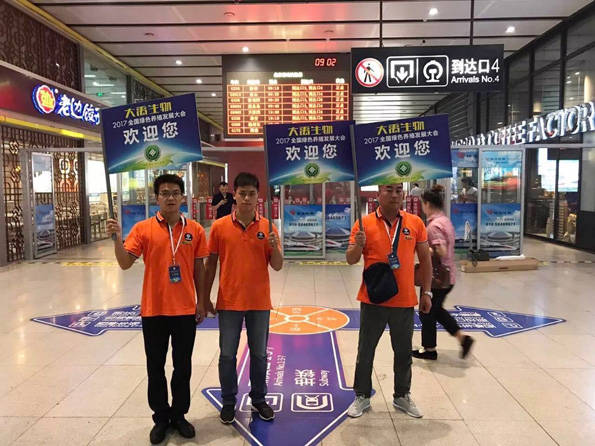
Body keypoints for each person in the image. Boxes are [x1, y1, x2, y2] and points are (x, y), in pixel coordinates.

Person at [106, 174, 211, 445]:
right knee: (155, 367)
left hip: (185, 310)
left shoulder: (195, 230)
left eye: (175, 192)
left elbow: (199, 268)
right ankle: (161, 418)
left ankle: (179, 415)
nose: (170, 197)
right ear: (157, 198)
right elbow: (125, 263)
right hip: (154, 310)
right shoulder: (143, 229)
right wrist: (116, 239)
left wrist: (201, 301)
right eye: (164, 193)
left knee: (182, 366)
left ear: (182, 196)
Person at [345, 183, 433, 419]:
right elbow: (350, 259)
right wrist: (359, 244)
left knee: (403, 352)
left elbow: (425, 260)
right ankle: (362, 395)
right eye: (389, 190)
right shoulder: (363, 224)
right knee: (365, 351)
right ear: (378, 194)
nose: (395, 195)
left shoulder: (415, 223)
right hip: (372, 299)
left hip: (404, 300)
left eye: (398, 190)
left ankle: (402, 395)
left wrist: (427, 292)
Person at [202, 172, 283, 424]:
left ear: (258, 197)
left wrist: (275, 247)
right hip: (229, 301)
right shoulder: (219, 227)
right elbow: (210, 264)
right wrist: (204, 298)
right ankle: (228, 401)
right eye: (242, 193)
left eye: (252, 194)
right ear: (234, 195)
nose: (247, 198)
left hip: (259, 302)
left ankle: (259, 398)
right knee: (227, 354)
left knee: (259, 354)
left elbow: (277, 266)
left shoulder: (268, 227)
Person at [412, 186, 475, 361]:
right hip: (448, 275)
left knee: (427, 311)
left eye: (422, 204)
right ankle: (462, 339)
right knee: (436, 310)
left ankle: (429, 349)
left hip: (436, 277)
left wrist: (422, 247)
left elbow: (441, 251)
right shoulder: (445, 221)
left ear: (427, 204)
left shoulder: (434, 226)